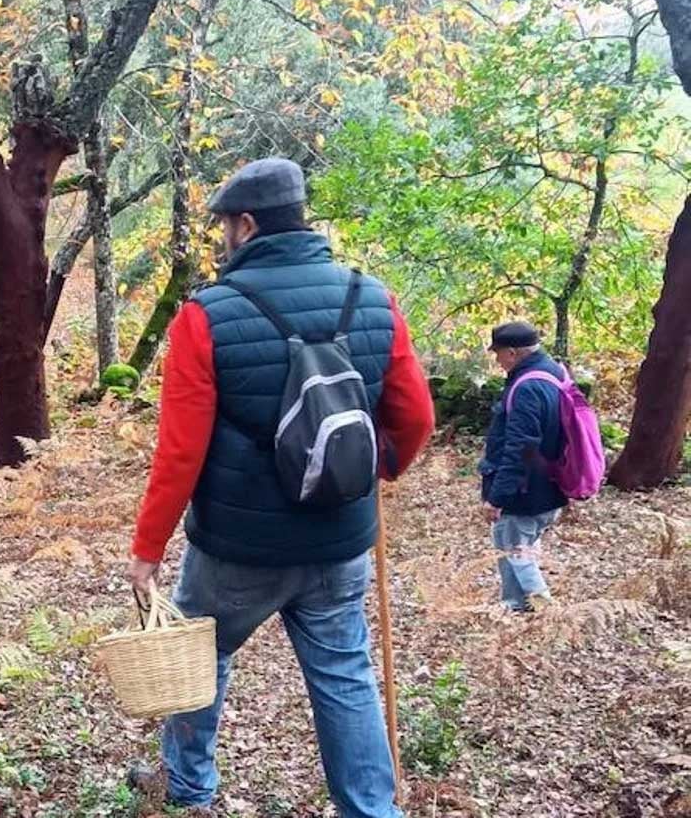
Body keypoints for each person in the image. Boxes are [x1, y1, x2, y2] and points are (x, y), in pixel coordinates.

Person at [125, 158, 434, 818]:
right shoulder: (373, 298)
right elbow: (416, 419)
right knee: (345, 674)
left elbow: (181, 452)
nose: (222, 240)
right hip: (340, 540)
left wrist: (147, 549)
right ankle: (372, 811)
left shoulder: (206, 317)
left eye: (225, 229)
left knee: (200, 655)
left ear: (246, 225)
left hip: (238, 548)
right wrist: (374, 470)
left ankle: (189, 788)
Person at [479, 321, 566, 612]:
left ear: (513, 353)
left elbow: (519, 450)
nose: (497, 359)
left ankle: (549, 614)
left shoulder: (527, 387)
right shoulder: (555, 373)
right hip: (550, 485)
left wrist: (497, 497)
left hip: (526, 492)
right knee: (513, 544)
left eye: (499, 353)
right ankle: (515, 605)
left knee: (517, 551)